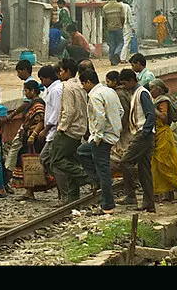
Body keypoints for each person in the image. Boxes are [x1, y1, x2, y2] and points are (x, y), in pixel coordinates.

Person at [77, 69, 123, 214]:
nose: (83, 87)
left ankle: (108, 205)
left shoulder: (95, 95)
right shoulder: (109, 91)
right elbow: (120, 111)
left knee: (103, 170)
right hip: (111, 135)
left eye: (83, 84)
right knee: (82, 152)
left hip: (102, 138)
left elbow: (100, 117)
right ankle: (96, 180)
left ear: (89, 82)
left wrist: (98, 136)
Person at [49, 59, 90, 204]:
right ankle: (73, 196)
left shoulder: (67, 87)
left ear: (68, 72)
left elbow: (69, 110)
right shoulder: (79, 86)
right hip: (79, 128)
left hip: (69, 130)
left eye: (61, 71)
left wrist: (62, 128)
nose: (59, 74)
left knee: (57, 160)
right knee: (71, 160)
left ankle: (86, 177)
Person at [119, 68, 157, 212]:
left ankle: (131, 196)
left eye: (124, 84)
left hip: (143, 134)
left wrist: (145, 132)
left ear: (131, 81)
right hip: (143, 133)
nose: (124, 87)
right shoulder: (135, 93)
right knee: (144, 169)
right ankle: (149, 203)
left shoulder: (142, 93)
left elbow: (150, 114)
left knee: (125, 161)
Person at [11, 79, 54, 201]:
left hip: (33, 138)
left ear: (33, 91)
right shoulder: (33, 103)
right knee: (27, 162)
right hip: (29, 136)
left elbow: (41, 120)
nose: (25, 93)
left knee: (32, 162)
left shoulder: (38, 104)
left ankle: (33, 188)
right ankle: (29, 190)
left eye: (26, 90)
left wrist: (33, 135)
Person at [145, 78, 177, 202]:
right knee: (156, 165)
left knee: (165, 163)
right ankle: (163, 194)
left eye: (152, 89)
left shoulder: (163, 101)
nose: (150, 91)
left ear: (158, 89)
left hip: (163, 134)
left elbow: (163, 116)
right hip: (156, 134)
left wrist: (152, 109)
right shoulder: (155, 100)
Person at [37, 64, 63, 191]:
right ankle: (62, 186)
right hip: (51, 130)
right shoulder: (52, 89)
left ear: (49, 78)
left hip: (54, 130)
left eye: (43, 79)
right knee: (50, 160)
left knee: (47, 159)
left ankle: (63, 185)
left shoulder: (56, 90)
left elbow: (57, 111)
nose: (42, 82)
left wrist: (46, 129)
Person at [106, 70, 132, 174]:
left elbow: (124, 113)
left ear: (115, 81)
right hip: (122, 129)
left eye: (108, 82)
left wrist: (119, 128)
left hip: (123, 130)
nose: (107, 85)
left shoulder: (119, 94)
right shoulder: (120, 92)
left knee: (120, 156)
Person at [102, 0, 125, 66]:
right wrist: (121, 25)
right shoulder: (120, 6)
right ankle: (116, 54)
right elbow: (122, 17)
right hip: (118, 27)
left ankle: (112, 60)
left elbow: (104, 19)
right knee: (120, 42)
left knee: (112, 44)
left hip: (109, 28)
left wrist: (106, 27)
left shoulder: (105, 7)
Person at [118, 0, 136, 64]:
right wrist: (133, 27)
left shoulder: (115, 6)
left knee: (118, 43)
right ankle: (123, 58)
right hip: (125, 27)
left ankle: (118, 57)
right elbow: (130, 18)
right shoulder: (126, 6)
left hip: (115, 27)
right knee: (125, 42)